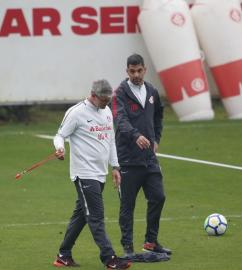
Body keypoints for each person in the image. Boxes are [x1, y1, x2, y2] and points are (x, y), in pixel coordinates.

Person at [52, 79, 131, 269]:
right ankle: (109, 259)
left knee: (81, 215)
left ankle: (63, 255)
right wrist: (60, 148)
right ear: (93, 95)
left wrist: (115, 167)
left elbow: (111, 140)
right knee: (96, 216)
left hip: (100, 173)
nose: (106, 104)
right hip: (83, 174)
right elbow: (60, 135)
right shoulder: (76, 113)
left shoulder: (105, 112)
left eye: (108, 100)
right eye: (104, 100)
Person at [111, 54, 172, 258]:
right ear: (126, 71)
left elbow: (158, 116)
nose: (136, 74)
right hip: (127, 159)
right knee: (127, 205)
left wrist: (156, 138)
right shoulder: (120, 93)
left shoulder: (152, 91)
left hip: (149, 159)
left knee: (158, 197)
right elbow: (120, 120)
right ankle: (127, 247)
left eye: (139, 70)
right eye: (132, 71)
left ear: (145, 69)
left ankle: (151, 242)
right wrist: (136, 135)